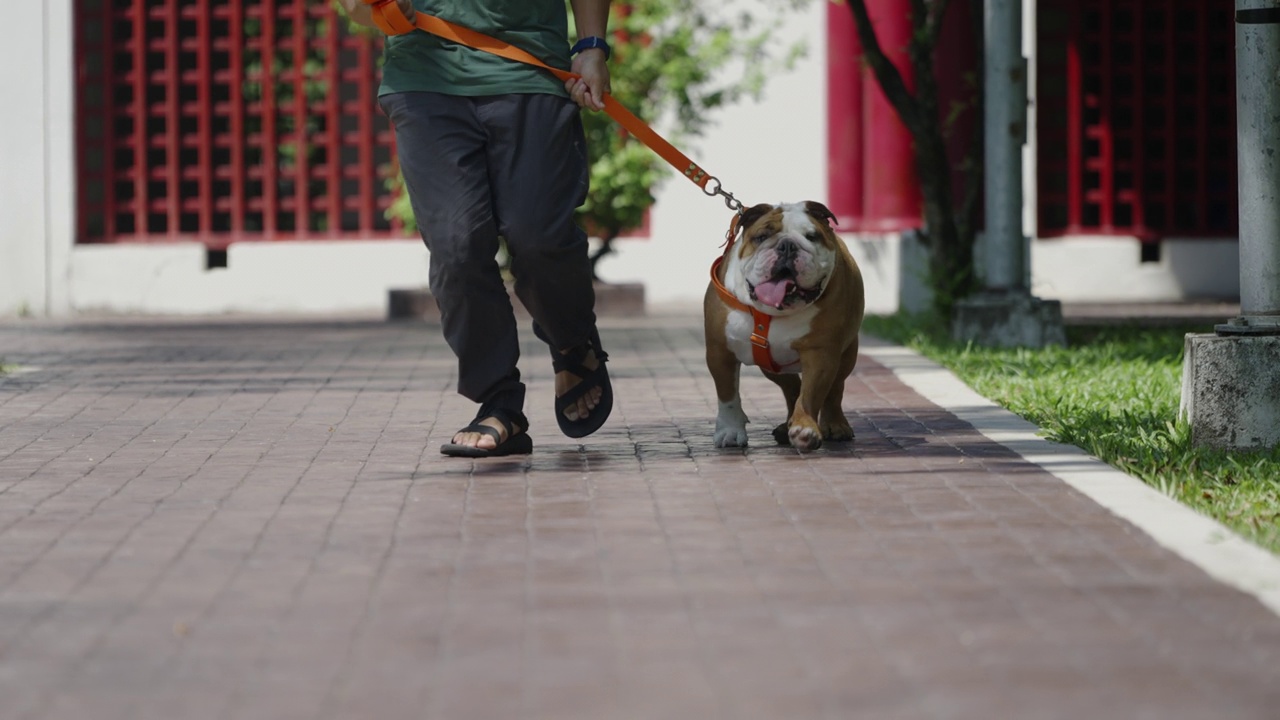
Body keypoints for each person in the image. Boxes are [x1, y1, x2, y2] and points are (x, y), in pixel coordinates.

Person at [340, 0, 615, 457]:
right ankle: (499, 399)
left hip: (530, 71)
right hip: (425, 80)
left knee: (539, 236)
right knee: (456, 246)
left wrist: (591, 46)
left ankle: (572, 343)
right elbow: (359, 8)